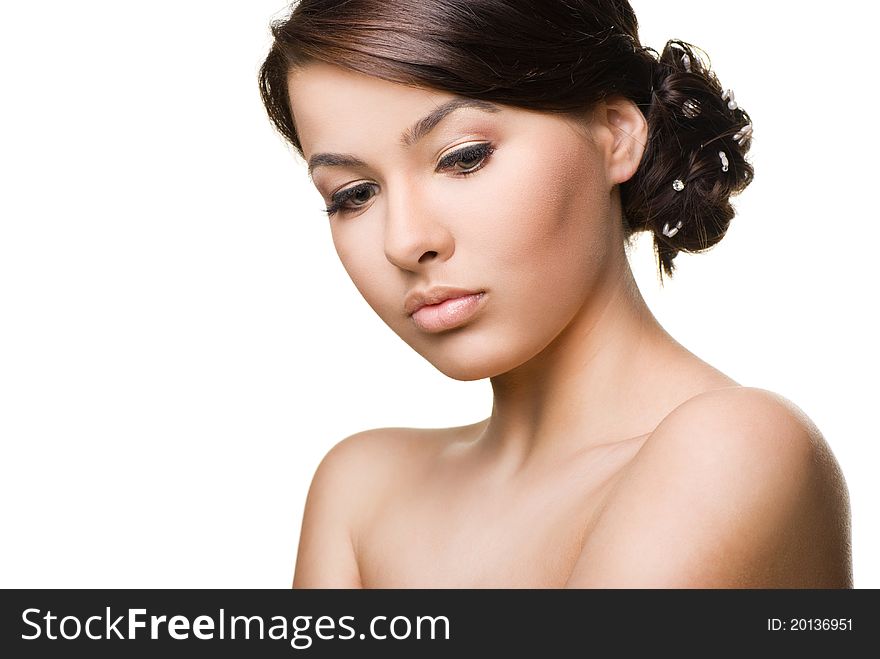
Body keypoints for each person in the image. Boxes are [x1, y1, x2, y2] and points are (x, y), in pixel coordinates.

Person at [258, 0, 852, 588]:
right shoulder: (361, 493)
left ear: (616, 136)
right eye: (354, 194)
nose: (406, 241)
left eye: (463, 158)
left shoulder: (735, 448)